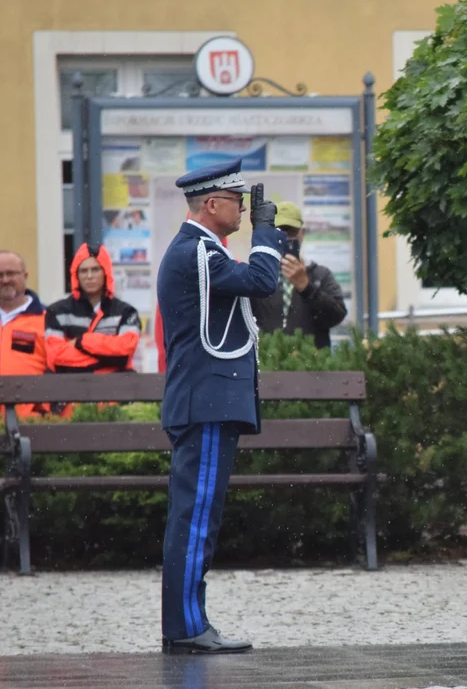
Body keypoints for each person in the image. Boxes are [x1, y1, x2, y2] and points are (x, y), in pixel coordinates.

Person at [157, 158, 283, 655]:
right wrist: (267, 233)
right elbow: (261, 281)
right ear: (211, 204)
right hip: (204, 402)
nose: (245, 209)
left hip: (207, 399)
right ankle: (187, 627)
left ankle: (188, 622)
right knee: (195, 519)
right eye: (237, 201)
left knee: (197, 518)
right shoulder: (196, 252)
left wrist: (263, 233)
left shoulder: (201, 249)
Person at [250, 201, 347, 348]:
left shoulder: (321, 274)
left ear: (302, 233)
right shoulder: (258, 274)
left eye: (291, 231)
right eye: (280, 230)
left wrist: (307, 288)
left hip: (311, 363)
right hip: (268, 361)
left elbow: (336, 317)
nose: (285, 237)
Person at [44, 243, 141, 376]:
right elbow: (55, 358)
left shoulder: (126, 312)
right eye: (83, 271)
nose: (89, 276)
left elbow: (125, 351)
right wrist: (110, 359)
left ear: (106, 272)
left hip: (113, 393)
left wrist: (81, 342)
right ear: (76, 275)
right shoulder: (56, 312)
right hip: (70, 393)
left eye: (95, 269)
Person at [0, 250, 48, 417]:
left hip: (29, 422)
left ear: (25, 275)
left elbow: (60, 369)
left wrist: (42, 411)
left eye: (11, 273)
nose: (5, 280)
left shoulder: (47, 320)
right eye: (0, 274)